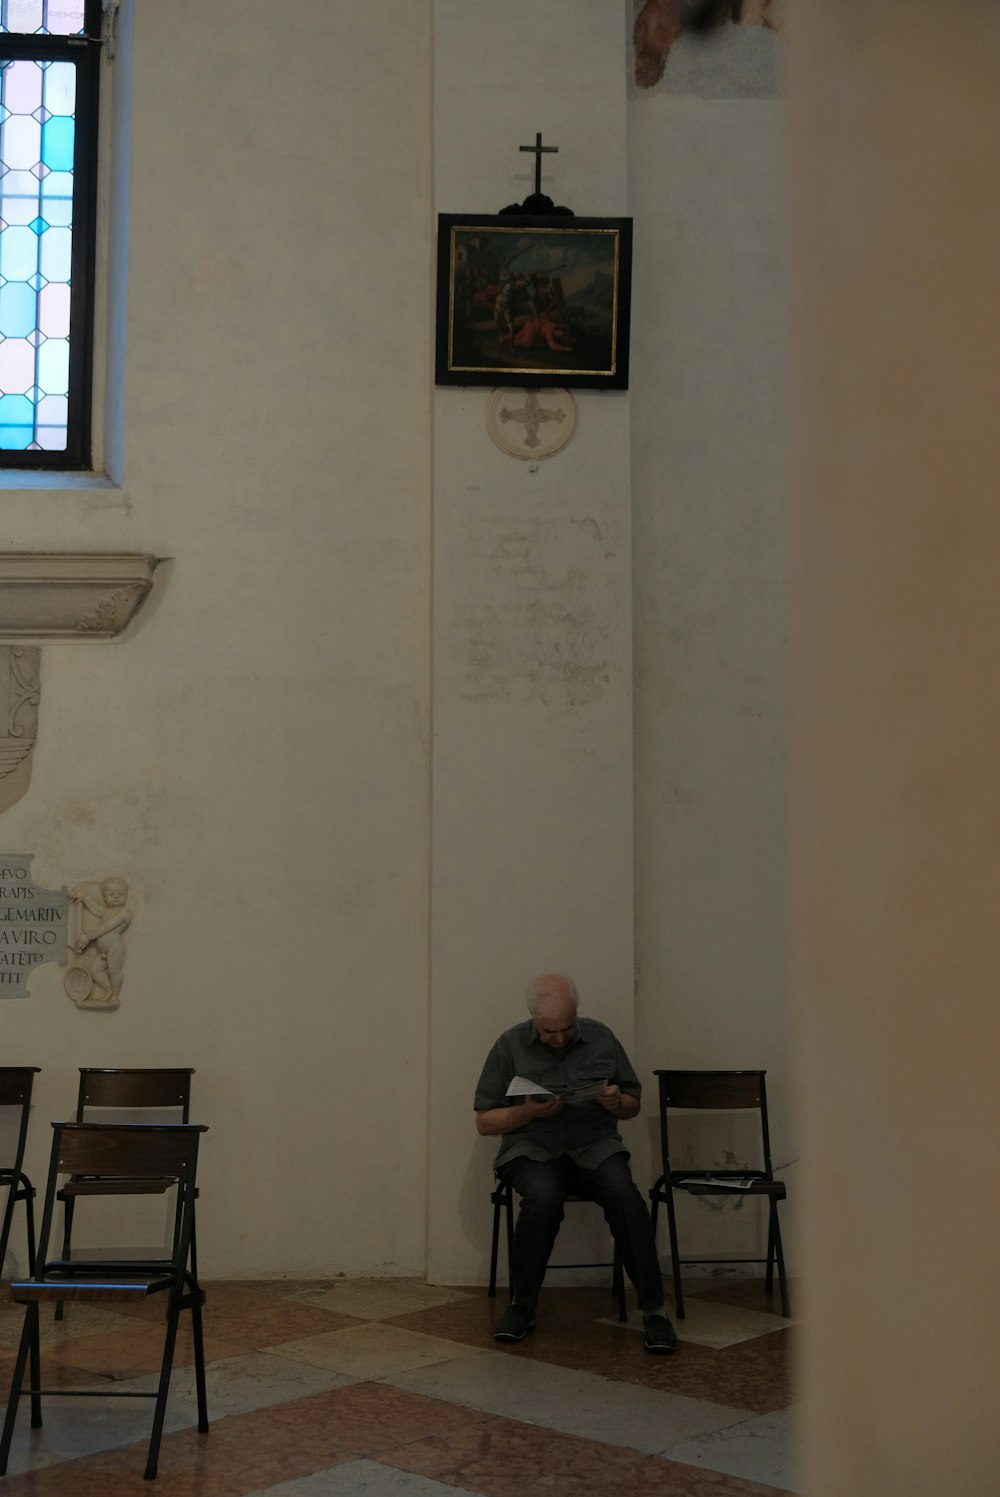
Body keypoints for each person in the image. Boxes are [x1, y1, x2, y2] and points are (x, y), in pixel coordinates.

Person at [474, 973, 677, 1353]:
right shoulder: (509, 1044)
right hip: (532, 1150)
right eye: (550, 1031)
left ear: (576, 1012)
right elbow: (484, 1121)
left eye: (567, 1027)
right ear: (533, 1017)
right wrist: (528, 1113)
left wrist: (618, 1102)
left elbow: (633, 1103)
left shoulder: (601, 1037)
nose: (561, 1038)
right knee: (544, 1197)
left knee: (625, 1196)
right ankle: (522, 1306)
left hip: (594, 1147)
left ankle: (654, 1311)